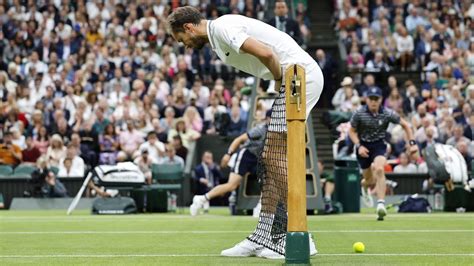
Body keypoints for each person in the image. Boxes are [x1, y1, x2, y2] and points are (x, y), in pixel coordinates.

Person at [167, 6, 323, 259]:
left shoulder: (222, 28)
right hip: (295, 77)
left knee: (274, 157)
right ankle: (264, 234)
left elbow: (267, 53)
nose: (184, 45)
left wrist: (276, 80)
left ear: (188, 27)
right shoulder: (217, 36)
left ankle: (299, 236)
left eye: (181, 39)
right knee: (270, 158)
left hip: (298, 78)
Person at [349, 87, 418, 221]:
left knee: (380, 169)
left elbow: (406, 126)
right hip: (363, 146)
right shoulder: (359, 113)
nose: (373, 102)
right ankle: (364, 185)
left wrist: (412, 143)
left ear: (381, 100)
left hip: (379, 145)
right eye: (371, 99)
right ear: (367, 100)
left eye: (376, 99)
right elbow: (351, 131)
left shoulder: (387, 113)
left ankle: (380, 204)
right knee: (370, 180)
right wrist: (359, 146)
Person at [190, 123, 266, 216]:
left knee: (268, 182)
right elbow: (239, 139)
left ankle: (261, 207)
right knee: (232, 185)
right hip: (247, 156)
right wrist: (228, 154)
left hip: (260, 159)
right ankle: (202, 199)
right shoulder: (261, 129)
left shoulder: (278, 132)